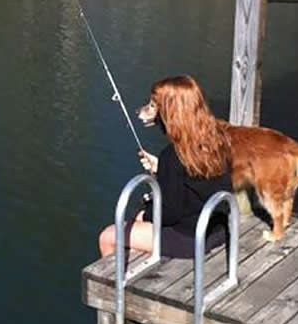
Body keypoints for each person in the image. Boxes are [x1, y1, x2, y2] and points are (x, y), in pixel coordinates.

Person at [98, 76, 232, 259]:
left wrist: (145, 215)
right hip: (218, 229)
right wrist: (161, 169)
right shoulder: (218, 139)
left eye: (154, 106)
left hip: (190, 239)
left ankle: (117, 278)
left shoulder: (173, 155)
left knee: (108, 236)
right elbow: (195, 181)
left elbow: (169, 214)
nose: (151, 111)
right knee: (137, 221)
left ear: (170, 113)